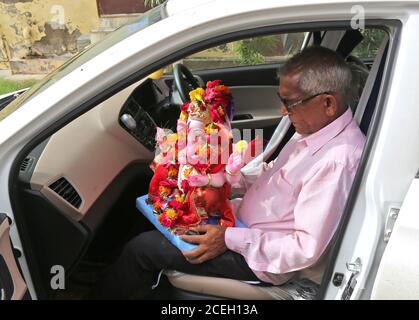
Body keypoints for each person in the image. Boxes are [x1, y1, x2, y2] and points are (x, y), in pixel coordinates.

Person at [90, 46, 366, 299]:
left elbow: (304, 249)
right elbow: (274, 180)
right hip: (238, 224)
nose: (283, 110)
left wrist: (228, 239)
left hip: (259, 258)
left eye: (289, 103)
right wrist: (228, 179)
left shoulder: (337, 160)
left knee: (144, 248)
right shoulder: (313, 131)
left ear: (328, 103)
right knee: (154, 211)